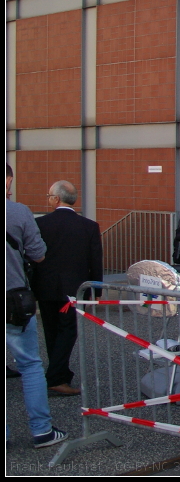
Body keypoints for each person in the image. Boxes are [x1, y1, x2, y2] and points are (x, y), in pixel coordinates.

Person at [5, 165, 68, 448]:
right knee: (29, 364)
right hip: (13, 300)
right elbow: (39, 255)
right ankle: (42, 430)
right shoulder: (18, 212)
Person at [32, 180, 103, 396]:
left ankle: (57, 374)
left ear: (55, 198)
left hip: (45, 287)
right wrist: (95, 291)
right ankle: (56, 376)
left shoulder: (41, 224)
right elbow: (95, 260)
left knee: (51, 331)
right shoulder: (89, 226)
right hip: (74, 289)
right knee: (68, 331)